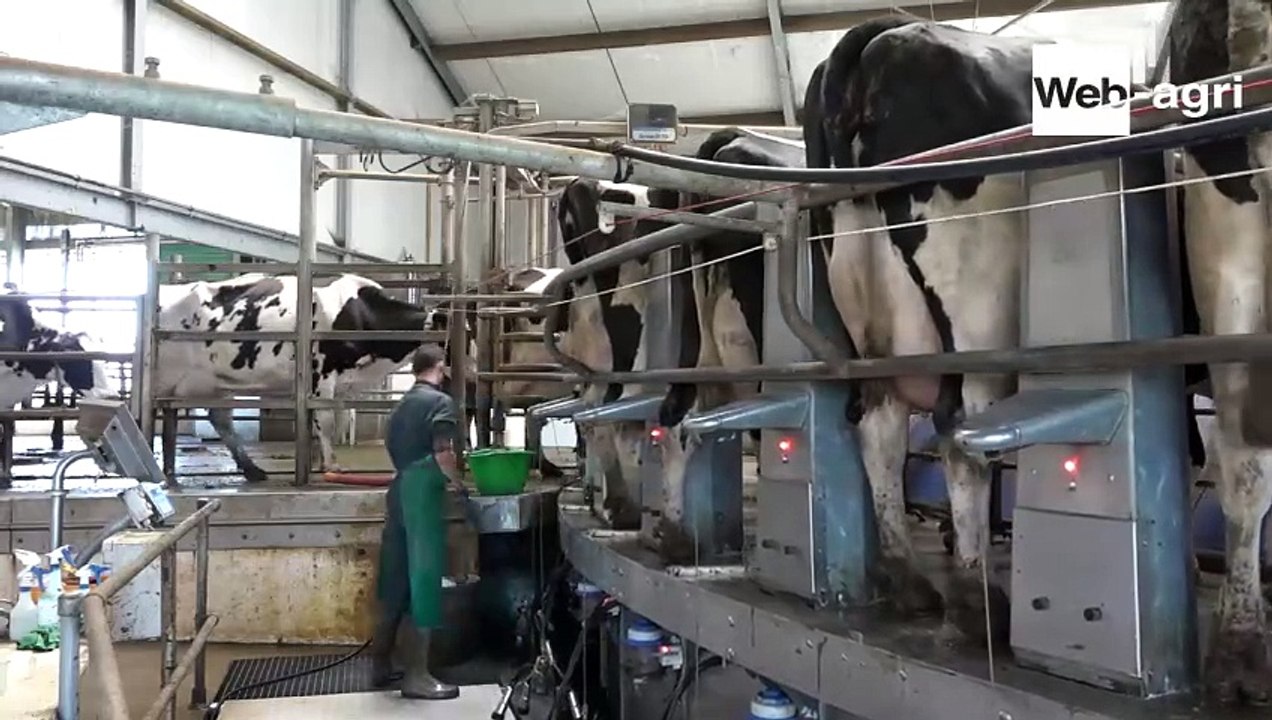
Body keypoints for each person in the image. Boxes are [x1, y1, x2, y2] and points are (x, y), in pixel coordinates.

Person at [368, 344, 464, 700]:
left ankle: (380, 664)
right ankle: (417, 676)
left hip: (399, 489)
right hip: (422, 492)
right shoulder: (440, 403)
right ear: (440, 367)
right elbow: (442, 452)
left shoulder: (402, 405)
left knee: (395, 577)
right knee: (424, 577)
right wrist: (458, 483)